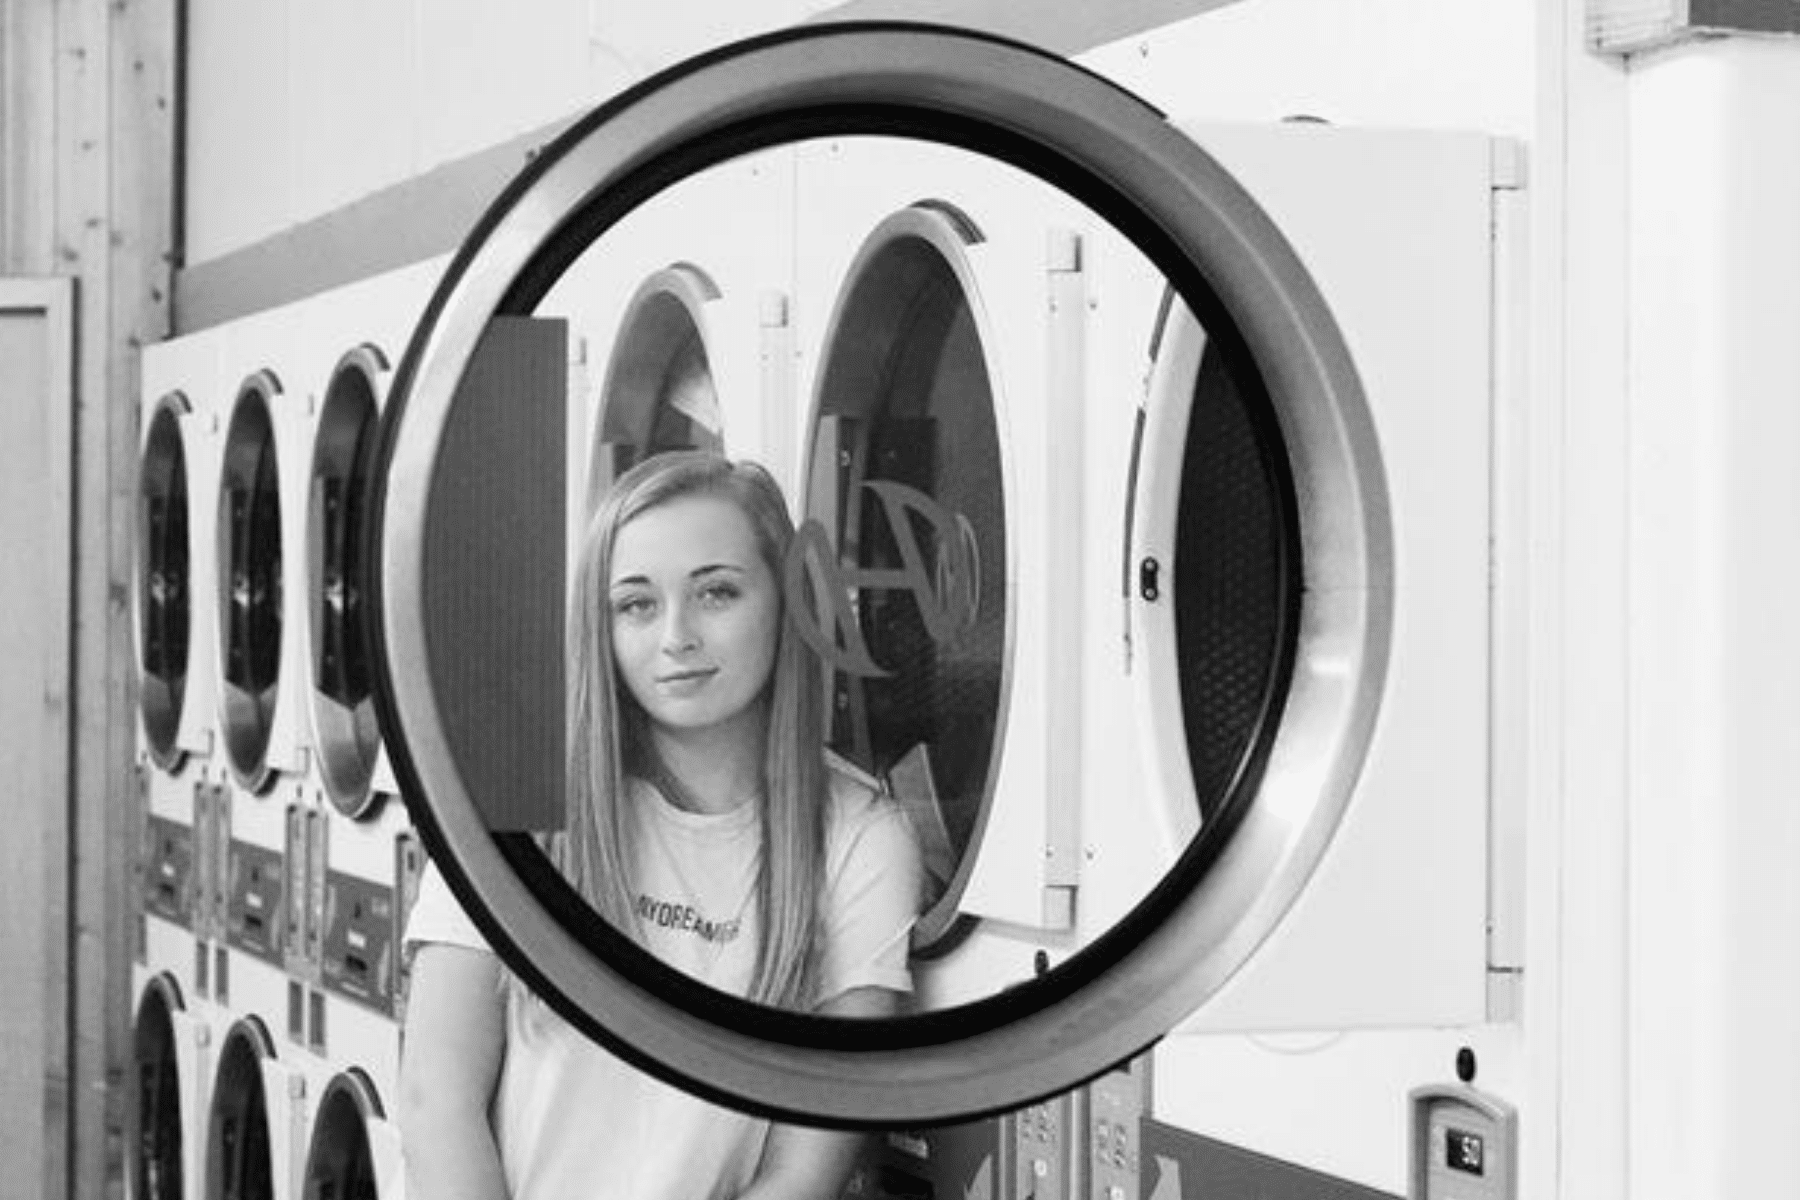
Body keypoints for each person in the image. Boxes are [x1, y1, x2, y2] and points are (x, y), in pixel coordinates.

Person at [398, 451, 923, 1200]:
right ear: (600, 626)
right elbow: (435, 1100)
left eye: (716, 593)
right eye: (636, 605)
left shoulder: (859, 836)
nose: (676, 636)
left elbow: (804, 1175)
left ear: (786, 599)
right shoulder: (521, 801)